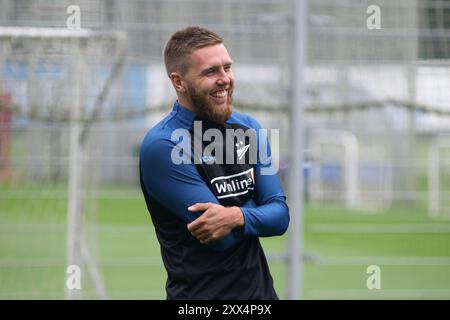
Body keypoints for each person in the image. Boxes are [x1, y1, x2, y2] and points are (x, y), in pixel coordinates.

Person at [139, 26, 289, 300]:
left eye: (227, 68)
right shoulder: (163, 147)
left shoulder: (251, 129)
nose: (225, 79)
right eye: (210, 72)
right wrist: (258, 211)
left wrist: (235, 216)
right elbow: (222, 239)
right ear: (178, 82)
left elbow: (280, 217)